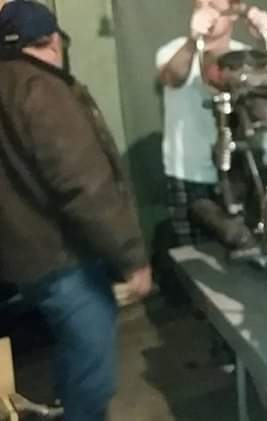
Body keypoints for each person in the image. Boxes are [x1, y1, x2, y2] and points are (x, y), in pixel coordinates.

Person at [0, 1, 152, 420]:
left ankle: (65, 407)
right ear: (52, 41)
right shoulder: (41, 89)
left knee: (72, 345)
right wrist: (132, 257)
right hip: (63, 257)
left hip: (23, 259)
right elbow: (84, 184)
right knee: (93, 366)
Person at [156, 0, 267, 246]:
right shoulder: (175, 50)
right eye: (200, 4)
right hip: (188, 176)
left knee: (243, 251)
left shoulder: (245, 56)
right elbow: (173, 76)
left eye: (213, 3)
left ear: (233, 14)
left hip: (238, 177)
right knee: (192, 256)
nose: (206, 9)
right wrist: (193, 40)